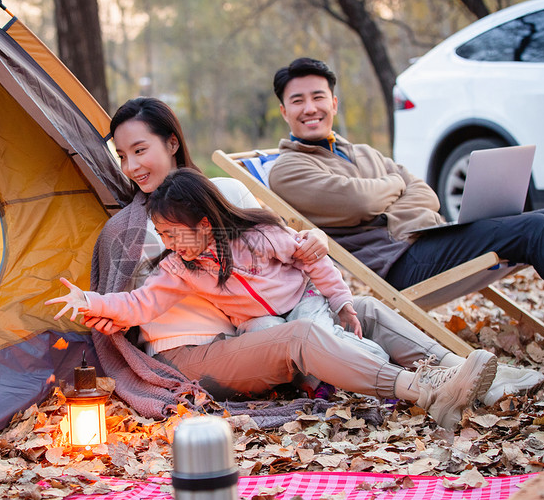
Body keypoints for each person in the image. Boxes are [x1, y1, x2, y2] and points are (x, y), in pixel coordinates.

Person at [49, 168, 500, 430]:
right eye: (161, 235)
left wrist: (341, 301)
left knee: (361, 312)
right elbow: (139, 305)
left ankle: (477, 377)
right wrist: (92, 301)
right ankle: (419, 388)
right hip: (247, 334)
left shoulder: (259, 237)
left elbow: (313, 262)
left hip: (301, 302)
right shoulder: (179, 267)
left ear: (206, 223)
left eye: (172, 233)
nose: (167, 242)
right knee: (295, 335)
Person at [267, 56, 544, 366]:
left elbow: (426, 193)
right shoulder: (289, 168)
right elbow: (359, 202)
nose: (310, 108)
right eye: (297, 101)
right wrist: (394, 185)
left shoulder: (362, 152)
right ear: (285, 111)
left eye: (318, 97)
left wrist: (388, 192)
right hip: (402, 262)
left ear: (334, 103)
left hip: (432, 238)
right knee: (535, 229)